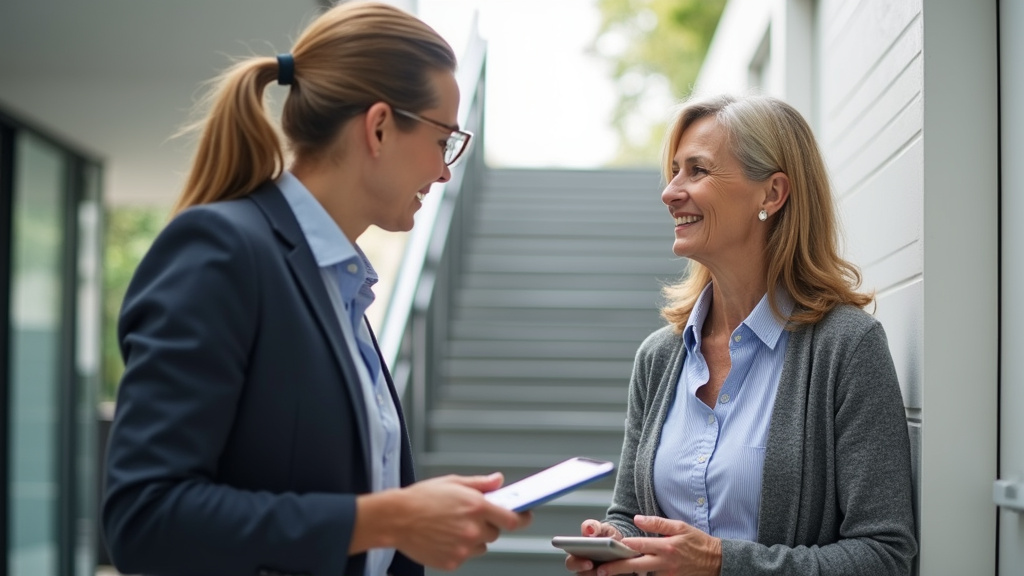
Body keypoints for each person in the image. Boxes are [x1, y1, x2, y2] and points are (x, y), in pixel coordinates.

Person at [101, 3, 530, 575]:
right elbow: (145, 520)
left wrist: (413, 518)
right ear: (379, 127)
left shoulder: (338, 283)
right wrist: (388, 518)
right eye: (443, 139)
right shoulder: (222, 250)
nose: (446, 170)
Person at [565, 94, 917, 576]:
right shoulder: (660, 356)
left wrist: (720, 562)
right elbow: (630, 514)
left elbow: (884, 554)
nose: (670, 192)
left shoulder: (847, 348)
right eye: (673, 171)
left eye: (698, 170)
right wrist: (616, 540)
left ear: (772, 194)